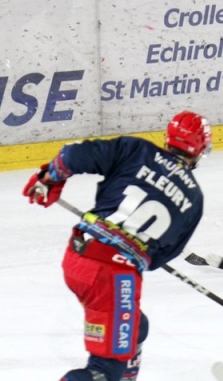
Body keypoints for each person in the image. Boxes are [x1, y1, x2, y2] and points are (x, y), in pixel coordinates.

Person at [22, 110, 211, 381]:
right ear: (200, 149)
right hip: (113, 276)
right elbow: (158, 258)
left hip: (79, 253)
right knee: (104, 370)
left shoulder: (136, 149)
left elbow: (71, 157)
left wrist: (49, 178)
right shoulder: (194, 199)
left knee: (136, 327)